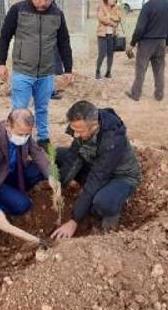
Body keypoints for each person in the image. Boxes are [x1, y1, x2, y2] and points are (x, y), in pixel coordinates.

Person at [0, 0, 74, 150]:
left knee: (42, 108)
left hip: (46, 72)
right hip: (23, 71)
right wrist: (1, 62)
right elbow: (5, 37)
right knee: (20, 110)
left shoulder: (57, 14)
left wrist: (68, 69)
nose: (43, 2)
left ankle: (43, 139)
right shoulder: (18, 10)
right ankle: (18, 141)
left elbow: (64, 43)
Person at [51, 101, 142, 239]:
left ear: (94, 125)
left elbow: (96, 179)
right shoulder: (85, 123)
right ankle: (96, 196)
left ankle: (110, 225)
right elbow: (74, 156)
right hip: (97, 164)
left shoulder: (113, 141)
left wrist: (74, 220)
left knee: (101, 203)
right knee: (59, 154)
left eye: (79, 131)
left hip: (121, 176)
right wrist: (60, 184)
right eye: (73, 129)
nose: (75, 135)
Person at [0, 109, 61, 219]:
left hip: (13, 172)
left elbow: (37, 152)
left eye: (27, 134)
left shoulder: (24, 132)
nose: (23, 138)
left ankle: (13, 192)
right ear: (8, 126)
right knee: (23, 205)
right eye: (20, 134)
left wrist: (51, 176)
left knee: (40, 169)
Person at [124, 0, 168, 102]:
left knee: (141, 69)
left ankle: (135, 94)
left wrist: (132, 43)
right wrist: (167, 41)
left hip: (147, 43)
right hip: (161, 41)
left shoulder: (148, 6)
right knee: (159, 69)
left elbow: (140, 28)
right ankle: (159, 95)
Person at [95, 0, 122, 79]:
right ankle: (98, 71)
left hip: (112, 34)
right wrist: (112, 22)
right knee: (102, 54)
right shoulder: (101, 6)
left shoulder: (116, 8)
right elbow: (101, 18)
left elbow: (118, 18)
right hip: (102, 34)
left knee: (111, 54)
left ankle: (108, 72)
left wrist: (110, 17)